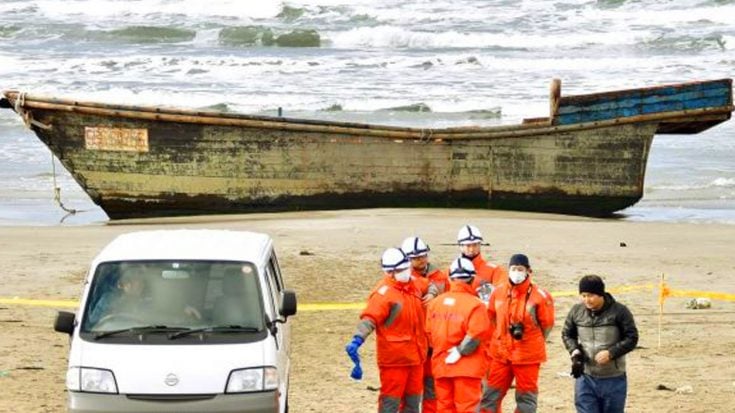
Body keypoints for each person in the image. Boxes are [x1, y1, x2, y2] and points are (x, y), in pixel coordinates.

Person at [345, 247, 428, 412]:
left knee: (413, 402)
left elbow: (431, 285)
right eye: (401, 269)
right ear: (390, 273)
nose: (406, 272)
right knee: (390, 402)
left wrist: (432, 293)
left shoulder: (414, 285)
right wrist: (357, 339)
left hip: (416, 358)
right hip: (394, 361)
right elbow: (370, 318)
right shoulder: (383, 295)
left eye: (406, 267)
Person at [482, 254, 554, 413]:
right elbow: (491, 316)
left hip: (528, 356)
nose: (516, 272)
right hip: (501, 354)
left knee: (526, 399)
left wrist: (532, 340)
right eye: (513, 269)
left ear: (529, 271)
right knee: (490, 396)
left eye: (520, 269)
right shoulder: (498, 292)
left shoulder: (540, 296)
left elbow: (547, 325)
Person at [561, 275, 639, 413]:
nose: (587, 300)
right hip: (585, 377)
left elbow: (632, 337)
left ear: (601, 294)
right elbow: (567, 334)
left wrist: (611, 353)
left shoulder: (620, 311)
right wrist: (575, 352)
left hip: (614, 378)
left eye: (591, 295)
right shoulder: (576, 311)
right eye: (583, 295)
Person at [425, 257, 491, 413]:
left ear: (450, 277)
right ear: (472, 278)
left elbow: (429, 333)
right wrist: (459, 351)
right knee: (467, 408)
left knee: (444, 407)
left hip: (442, 365)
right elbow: (476, 334)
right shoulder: (476, 305)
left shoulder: (435, 304)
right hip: (468, 368)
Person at [400, 236, 450, 413]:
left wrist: (435, 294)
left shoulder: (440, 275)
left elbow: (447, 295)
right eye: (415, 257)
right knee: (408, 390)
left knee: (432, 387)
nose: (420, 260)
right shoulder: (404, 278)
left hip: (433, 342)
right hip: (411, 342)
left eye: (423, 256)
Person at [456, 224, 507, 304]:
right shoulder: (451, 271)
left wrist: (492, 293)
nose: (472, 249)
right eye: (468, 245)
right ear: (460, 246)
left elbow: (503, 292)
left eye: (475, 245)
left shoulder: (494, 270)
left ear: (480, 244)